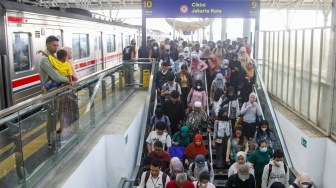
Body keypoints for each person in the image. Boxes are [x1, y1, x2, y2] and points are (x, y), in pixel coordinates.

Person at [39, 36, 69, 150]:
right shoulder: (45, 59)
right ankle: (51, 142)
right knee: (52, 118)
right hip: (51, 93)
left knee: (56, 116)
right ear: (47, 45)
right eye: (53, 45)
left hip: (57, 91)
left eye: (57, 45)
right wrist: (68, 80)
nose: (56, 48)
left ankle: (54, 139)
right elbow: (56, 75)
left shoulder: (52, 57)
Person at [212, 107, 231, 172]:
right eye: (224, 114)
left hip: (227, 137)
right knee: (219, 152)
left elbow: (231, 130)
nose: (225, 116)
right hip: (219, 137)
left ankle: (226, 164)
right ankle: (220, 167)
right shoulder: (217, 121)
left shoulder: (229, 120)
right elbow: (215, 131)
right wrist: (213, 140)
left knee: (226, 151)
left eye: (226, 114)